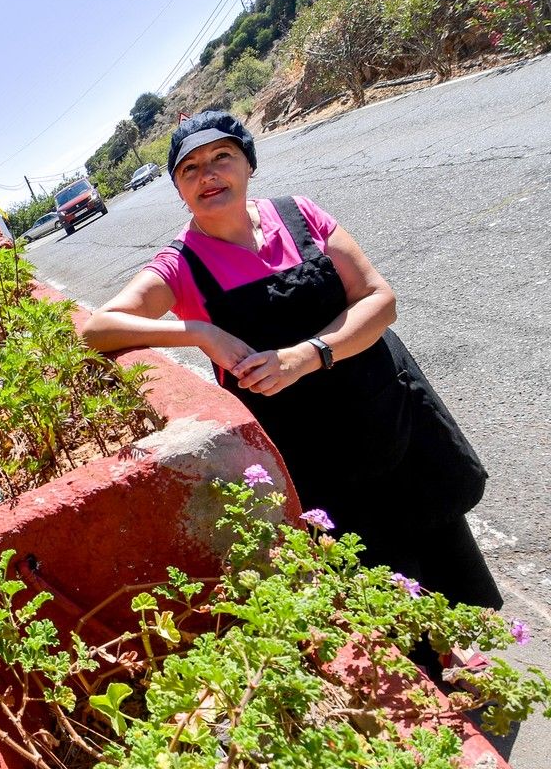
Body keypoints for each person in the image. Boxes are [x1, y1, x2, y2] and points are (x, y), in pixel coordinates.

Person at [82, 110, 501, 611]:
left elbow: (378, 299)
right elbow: (97, 329)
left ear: (248, 164)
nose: (208, 175)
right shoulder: (182, 263)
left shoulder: (299, 214)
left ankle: (471, 665)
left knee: (446, 555)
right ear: (178, 188)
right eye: (189, 169)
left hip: (388, 415)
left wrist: (307, 355)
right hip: (316, 457)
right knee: (380, 589)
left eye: (222, 157)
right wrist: (198, 331)